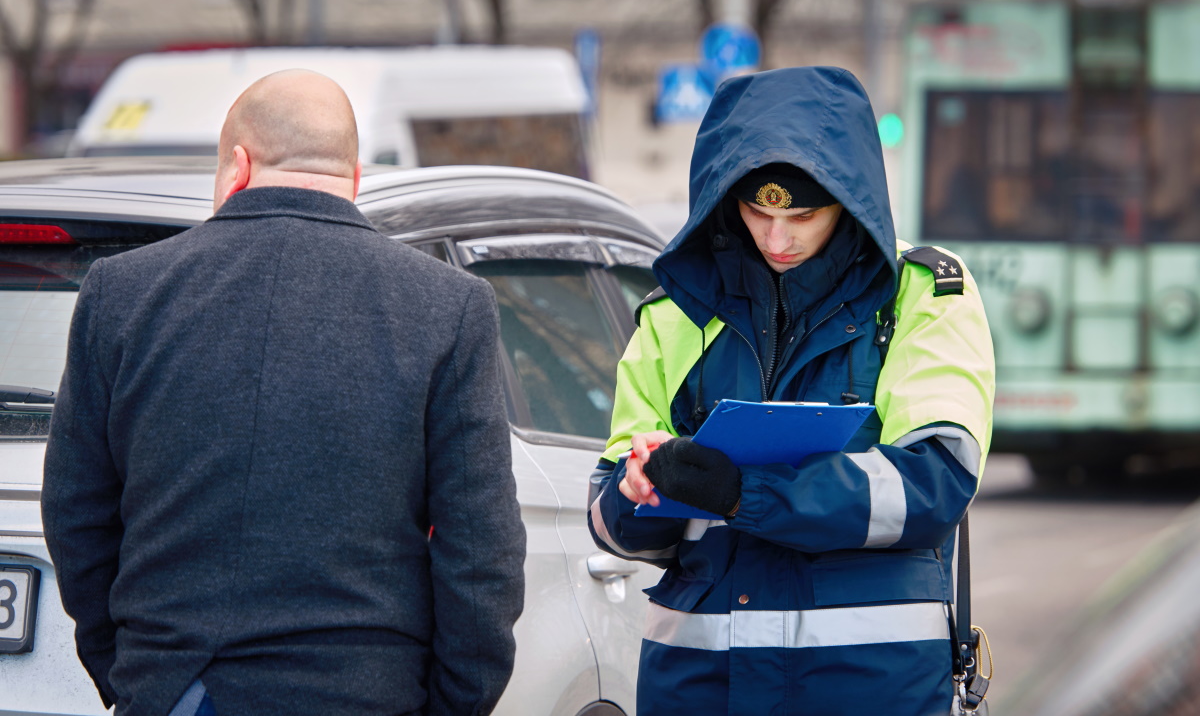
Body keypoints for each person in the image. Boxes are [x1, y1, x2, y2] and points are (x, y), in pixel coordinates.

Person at [42, 70, 526, 716]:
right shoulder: (449, 308)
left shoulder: (119, 294)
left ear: (237, 166)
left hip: (176, 691)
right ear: (354, 179)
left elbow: (76, 515)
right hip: (365, 695)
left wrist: (137, 673)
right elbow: (481, 556)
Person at [587, 66, 995, 715]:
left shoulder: (925, 295)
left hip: (866, 686)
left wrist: (742, 493)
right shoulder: (674, 314)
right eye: (757, 209)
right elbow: (606, 519)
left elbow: (935, 483)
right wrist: (642, 493)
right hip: (701, 687)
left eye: (803, 213)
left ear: (850, 197)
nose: (778, 237)